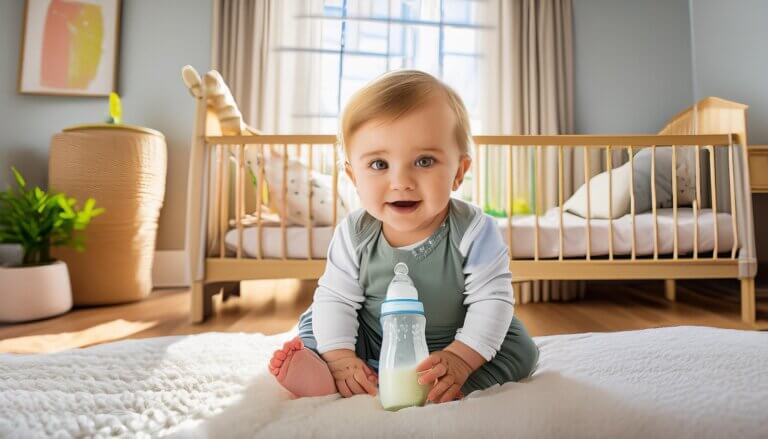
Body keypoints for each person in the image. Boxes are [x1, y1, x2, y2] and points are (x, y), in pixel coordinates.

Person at [268, 70, 538, 404]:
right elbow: (337, 300)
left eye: (424, 161)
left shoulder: (473, 230)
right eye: (379, 164)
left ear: (458, 172)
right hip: (372, 335)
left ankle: (451, 382)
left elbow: (491, 300)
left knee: (518, 345)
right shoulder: (354, 234)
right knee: (318, 321)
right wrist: (340, 356)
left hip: (455, 339)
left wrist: (461, 358)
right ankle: (331, 374)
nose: (401, 181)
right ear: (353, 175)